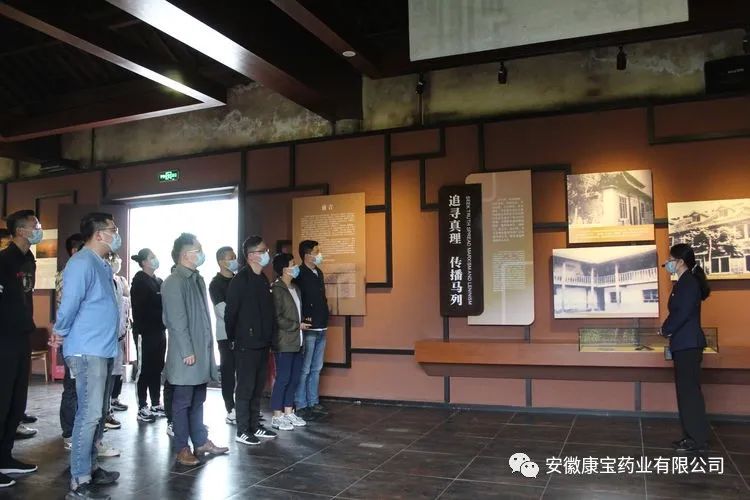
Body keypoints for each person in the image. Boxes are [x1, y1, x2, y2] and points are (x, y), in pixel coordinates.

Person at [52, 212, 122, 499]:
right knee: (89, 415)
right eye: (113, 229)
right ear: (99, 234)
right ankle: (79, 479)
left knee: (99, 414)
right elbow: (69, 303)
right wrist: (60, 331)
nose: (116, 234)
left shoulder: (101, 264)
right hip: (87, 350)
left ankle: (91, 467)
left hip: (103, 348)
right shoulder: (81, 263)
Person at [162, 233, 228, 466]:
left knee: (198, 398)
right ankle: (182, 448)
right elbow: (176, 321)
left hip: (200, 350)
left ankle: (200, 441)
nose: (201, 254)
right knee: (182, 402)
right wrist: (187, 351)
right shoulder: (174, 282)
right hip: (186, 354)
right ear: (185, 255)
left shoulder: (197, 279)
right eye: (197, 250)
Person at [0, 211, 41, 488]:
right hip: (3, 337)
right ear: (21, 231)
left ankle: (5, 456)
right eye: (35, 226)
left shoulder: (29, 260)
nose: (39, 229)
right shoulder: (3, 260)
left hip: (22, 335)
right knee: (2, 400)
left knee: (17, 402)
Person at [225, 236, 277, 445]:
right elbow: (231, 313)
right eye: (263, 251)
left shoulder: (262, 278)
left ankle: (255, 425)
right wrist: (234, 338)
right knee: (245, 388)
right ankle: (243, 429)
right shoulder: (240, 280)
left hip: (263, 342)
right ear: (252, 255)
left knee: (257, 387)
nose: (266, 254)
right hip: (246, 343)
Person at [661, 243, 712, 455]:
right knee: (686, 392)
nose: (667, 263)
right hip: (684, 344)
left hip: (688, 344)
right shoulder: (683, 282)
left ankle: (697, 439)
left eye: (670, 259)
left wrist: (666, 329)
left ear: (680, 261)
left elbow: (682, 313)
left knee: (689, 393)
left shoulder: (688, 282)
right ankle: (691, 436)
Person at [270, 253, 308, 431]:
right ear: (285, 269)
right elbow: (277, 317)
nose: (296, 267)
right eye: (293, 264)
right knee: (283, 378)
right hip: (284, 341)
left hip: (298, 341)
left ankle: (288, 411)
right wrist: (296, 325)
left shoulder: (295, 288)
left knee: (294, 378)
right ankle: (277, 416)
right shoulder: (276, 289)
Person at [294, 240, 329, 420]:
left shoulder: (318, 272)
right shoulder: (299, 274)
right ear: (307, 255)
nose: (319, 254)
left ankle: (313, 402)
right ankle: (301, 404)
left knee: (316, 367)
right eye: (316, 251)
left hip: (322, 325)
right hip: (308, 327)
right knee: (305, 368)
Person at [130, 248, 166, 424]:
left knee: (157, 367)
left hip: (159, 331)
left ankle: (156, 403)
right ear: (144, 262)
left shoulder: (158, 281)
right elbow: (142, 309)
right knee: (144, 369)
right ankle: (142, 406)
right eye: (152, 257)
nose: (155, 259)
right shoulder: (139, 281)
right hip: (144, 333)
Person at [57, 233, 85, 451]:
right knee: (72, 387)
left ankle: (83, 431)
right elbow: (68, 308)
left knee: (83, 387)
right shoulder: (67, 274)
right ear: (75, 251)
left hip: (85, 339)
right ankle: (69, 432)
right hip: (73, 340)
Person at [209, 246, 238, 425]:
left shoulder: (238, 280)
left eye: (235, 257)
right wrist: (242, 316)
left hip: (243, 333)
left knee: (244, 372)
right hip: (226, 334)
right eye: (230, 257)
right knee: (228, 372)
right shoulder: (215, 283)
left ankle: (243, 406)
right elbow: (222, 311)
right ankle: (231, 408)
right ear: (221, 261)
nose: (234, 260)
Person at [103, 253, 131, 430]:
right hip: (105, 337)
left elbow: (126, 302)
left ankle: (109, 407)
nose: (116, 263)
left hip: (119, 334)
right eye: (112, 260)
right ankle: (103, 413)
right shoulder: (102, 280)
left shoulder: (120, 281)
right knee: (103, 377)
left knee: (114, 373)